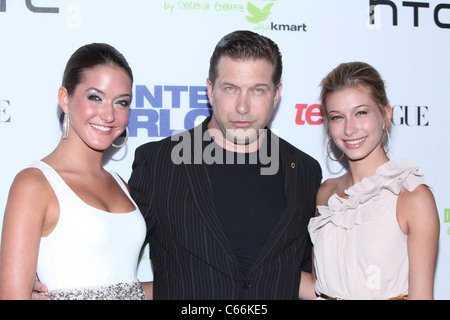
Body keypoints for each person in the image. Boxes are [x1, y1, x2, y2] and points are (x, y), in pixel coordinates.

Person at [128, 30, 322, 299]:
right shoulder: (158, 163)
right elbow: (111, 252)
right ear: (210, 89)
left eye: (257, 90)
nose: (242, 107)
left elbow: (309, 275)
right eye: (231, 89)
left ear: (276, 94)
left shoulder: (304, 171)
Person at [0, 43, 151, 300]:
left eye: (121, 102)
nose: (108, 114)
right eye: (95, 97)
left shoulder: (120, 185)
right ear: (65, 99)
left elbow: (127, 289)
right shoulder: (34, 184)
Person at [307, 61, 440, 300]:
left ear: (385, 115)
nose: (349, 129)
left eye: (361, 113)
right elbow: (319, 288)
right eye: (337, 117)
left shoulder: (411, 196)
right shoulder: (326, 194)